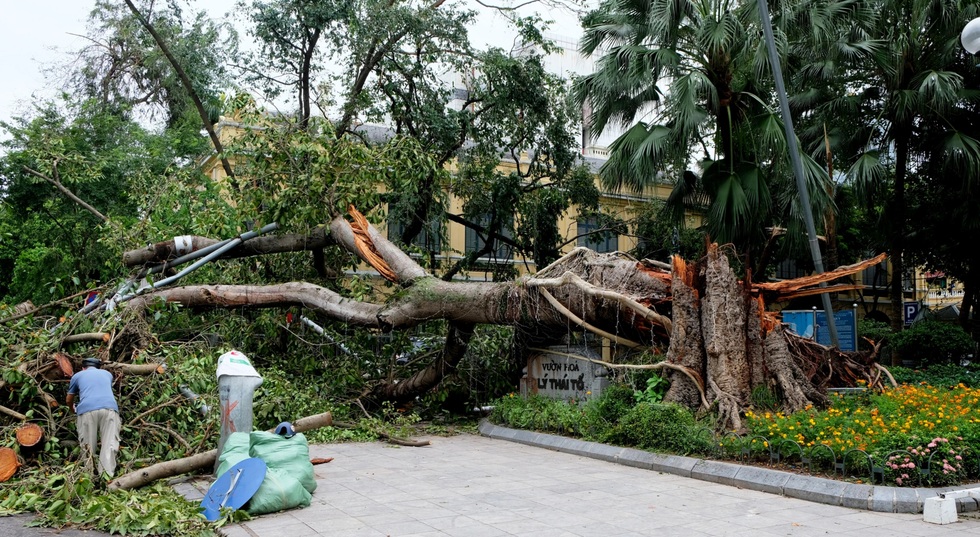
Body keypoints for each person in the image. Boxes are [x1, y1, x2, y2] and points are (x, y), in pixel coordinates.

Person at [66, 357, 121, 478]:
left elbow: (69, 399)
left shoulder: (78, 375)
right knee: (109, 443)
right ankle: (106, 477)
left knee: (88, 444)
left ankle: (89, 475)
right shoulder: (107, 374)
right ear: (99, 367)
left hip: (87, 410)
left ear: (83, 368)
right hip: (110, 409)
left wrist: (72, 408)